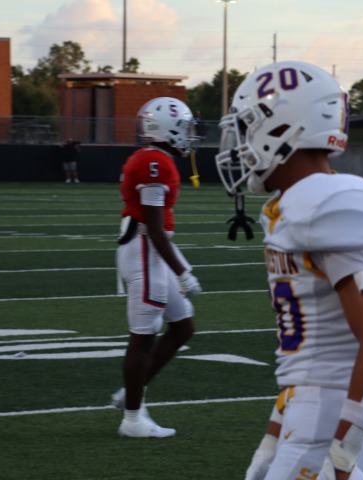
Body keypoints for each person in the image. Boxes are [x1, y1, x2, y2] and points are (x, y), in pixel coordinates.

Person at [216, 61, 363, 480]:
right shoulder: (293, 205)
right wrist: (273, 436)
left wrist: (343, 454)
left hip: (334, 415)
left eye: (249, 128)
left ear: (285, 129)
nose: (241, 145)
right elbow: (307, 359)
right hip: (312, 408)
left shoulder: (324, 203)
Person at [111, 97, 202, 438]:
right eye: (184, 128)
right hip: (145, 250)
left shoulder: (153, 158)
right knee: (143, 336)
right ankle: (133, 419)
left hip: (149, 247)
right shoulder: (154, 163)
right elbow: (152, 226)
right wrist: (182, 271)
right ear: (169, 129)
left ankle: (130, 393)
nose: (189, 135)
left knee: (183, 326)